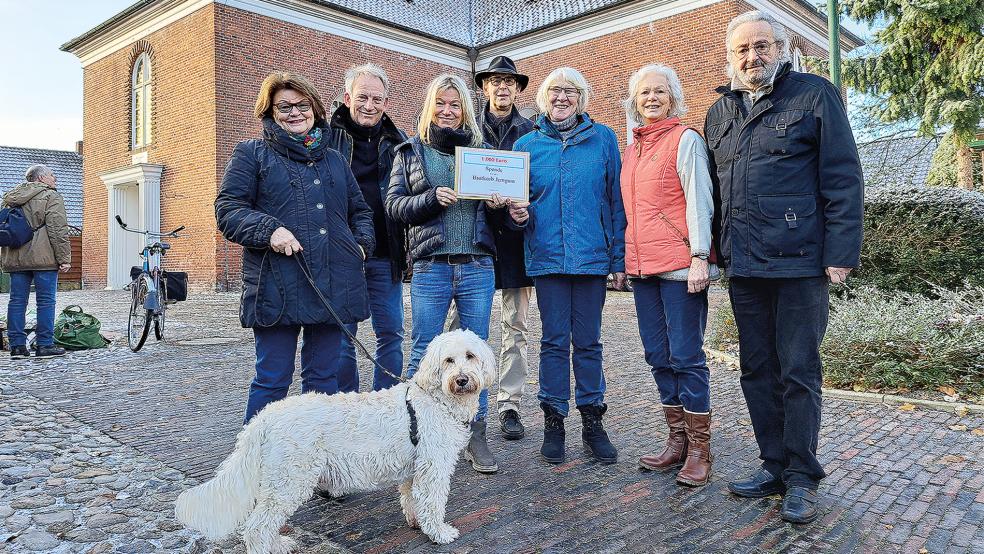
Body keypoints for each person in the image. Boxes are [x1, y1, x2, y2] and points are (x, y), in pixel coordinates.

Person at [705, 11, 863, 523]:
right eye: (743, 49)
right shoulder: (719, 112)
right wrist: (711, 253)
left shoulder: (815, 95)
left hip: (799, 263)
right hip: (744, 264)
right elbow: (711, 191)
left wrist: (839, 253)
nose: (753, 57)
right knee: (756, 369)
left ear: (783, 47)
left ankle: (800, 474)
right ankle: (773, 464)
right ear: (731, 57)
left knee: (798, 370)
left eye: (762, 46)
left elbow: (842, 177)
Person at [385, 74, 529, 474]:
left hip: (477, 267)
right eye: (441, 104)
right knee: (423, 350)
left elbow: (498, 212)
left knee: (476, 354)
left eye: (455, 105)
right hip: (432, 266)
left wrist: (502, 204)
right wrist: (430, 199)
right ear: (430, 107)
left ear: (465, 108)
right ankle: (414, 431)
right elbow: (394, 207)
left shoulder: (481, 152)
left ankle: (475, 435)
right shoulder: (410, 152)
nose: (448, 111)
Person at [215, 72, 375, 424]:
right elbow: (228, 211)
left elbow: (359, 211)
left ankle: (316, 459)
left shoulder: (334, 160)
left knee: (323, 382)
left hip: (333, 285)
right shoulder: (251, 155)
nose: (294, 112)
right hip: (278, 286)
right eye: (284, 106)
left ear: (315, 109)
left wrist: (360, 245)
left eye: (302, 105)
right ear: (270, 111)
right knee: (272, 380)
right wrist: (269, 229)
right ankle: (255, 462)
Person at [513, 67, 626, 465]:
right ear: (544, 99)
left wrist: (618, 259)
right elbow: (515, 206)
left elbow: (615, 200)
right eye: (554, 91)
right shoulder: (525, 145)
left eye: (570, 92)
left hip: (592, 258)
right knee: (554, 342)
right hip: (547, 259)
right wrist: (517, 216)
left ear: (581, 98)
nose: (562, 98)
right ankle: (554, 421)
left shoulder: (603, 139)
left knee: (590, 343)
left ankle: (593, 422)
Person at [621, 64, 720, 486]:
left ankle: (700, 450)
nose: (651, 98)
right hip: (643, 268)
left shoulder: (686, 140)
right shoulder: (633, 149)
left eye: (660, 91)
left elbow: (701, 200)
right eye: (644, 93)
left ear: (673, 98)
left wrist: (701, 255)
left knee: (686, 357)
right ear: (634, 101)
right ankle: (676, 441)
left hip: (681, 266)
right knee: (657, 356)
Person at [448, 56, 536, 439]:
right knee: (464, 326)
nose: (502, 88)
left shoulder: (532, 131)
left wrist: (521, 204)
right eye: (495, 82)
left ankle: (510, 402)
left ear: (517, 89)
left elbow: (536, 181)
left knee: (515, 325)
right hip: (477, 240)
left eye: (509, 82)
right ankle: (457, 400)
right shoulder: (468, 129)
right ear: (484, 88)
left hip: (517, 239)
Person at [327, 63, 409, 393]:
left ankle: (384, 404)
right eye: (362, 97)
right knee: (343, 336)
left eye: (377, 99)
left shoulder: (399, 142)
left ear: (386, 103)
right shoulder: (326, 137)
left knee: (391, 333)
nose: (369, 105)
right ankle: (347, 405)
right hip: (342, 253)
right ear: (348, 98)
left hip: (385, 253)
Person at [1, 165, 71, 360]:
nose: (54, 178)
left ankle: (17, 347)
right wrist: (64, 258)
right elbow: (58, 230)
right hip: (44, 258)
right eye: (51, 175)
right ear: (40, 178)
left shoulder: (10, 198)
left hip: (15, 258)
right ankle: (44, 345)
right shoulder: (51, 197)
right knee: (46, 302)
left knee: (16, 302)